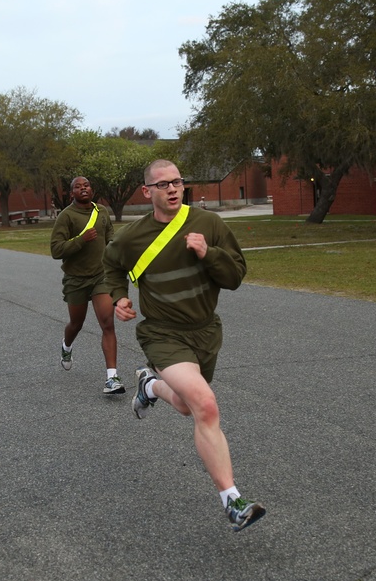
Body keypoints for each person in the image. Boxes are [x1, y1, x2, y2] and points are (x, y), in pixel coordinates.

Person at [103, 159, 265, 532]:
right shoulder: (133, 237)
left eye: (177, 182)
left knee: (186, 407)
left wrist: (209, 253)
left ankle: (151, 386)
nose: (173, 189)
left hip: (205, 332)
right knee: (206, 405)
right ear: (148, 192)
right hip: (162, 333)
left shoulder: (209, 224)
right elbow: (111, 265)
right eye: (163, 185)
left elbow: (236, 276)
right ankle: (233, 501)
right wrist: (118, 297)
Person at [49, 176, 124, 394]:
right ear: (71, 193)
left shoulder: (101, 211)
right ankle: (66, 346)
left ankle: (112, 378)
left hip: (101, 277)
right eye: (78, 187)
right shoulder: (66, 216)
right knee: (76, 324)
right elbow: (56, 250)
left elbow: (110, 237)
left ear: (92, 189)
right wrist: (82, 239)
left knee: (107, 323)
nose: (83, 189)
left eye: (87, 185)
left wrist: (119, 252)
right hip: (76, 279)